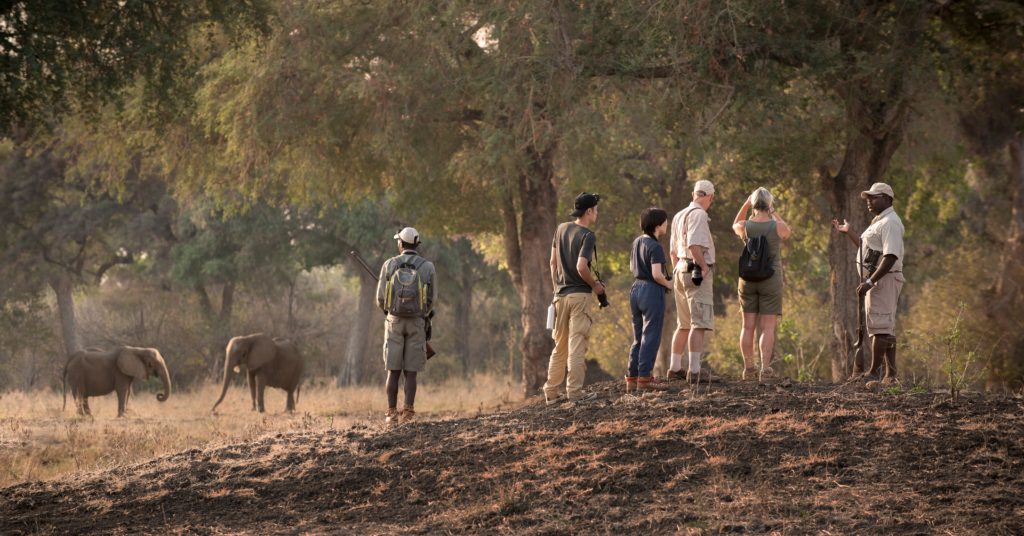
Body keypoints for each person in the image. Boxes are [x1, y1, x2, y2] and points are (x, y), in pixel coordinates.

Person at [831, 182, 905, 384]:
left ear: (888, 199)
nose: (869, 201)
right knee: (884, 327)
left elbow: (890, 257)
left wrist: (871, 281)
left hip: (883, 280)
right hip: (878, 280)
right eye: (868, 198)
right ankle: (891, 374)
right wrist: (850, 232)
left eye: (875, 197)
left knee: (880, 327)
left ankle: (873, 373)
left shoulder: (890, 222)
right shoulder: (880, 221)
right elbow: (869, 250)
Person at [543, 192, 606, 405]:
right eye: (596, 209)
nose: (597, 213)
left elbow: (552, 263)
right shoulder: (587, 235)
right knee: (577, 344)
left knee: (559, 346)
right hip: (580, 295)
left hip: (560, 295)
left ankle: (551, 393)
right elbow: (581, 266)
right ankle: (575, 393)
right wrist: (596, 286)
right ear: (589, 211)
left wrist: (556, 289)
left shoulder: (560, 229)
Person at [376, 227, 436, 423]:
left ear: (400, 243)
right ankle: (408, 413)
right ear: (416, 244)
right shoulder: (427, 267)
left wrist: (390, 312)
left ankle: (391, 414)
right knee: (411, 372)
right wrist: (421, 314)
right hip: (417, 323)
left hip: (393, 321)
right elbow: (432, 299)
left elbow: (380, 298)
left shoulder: (389, 264)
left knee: (393, 370)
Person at [732, 187, 792, 381]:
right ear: (769, 204)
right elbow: (787, 231)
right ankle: (765, 370)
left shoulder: (745, 226)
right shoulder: (776, 227)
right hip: (770, 279)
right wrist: (773, 211)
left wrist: (745, 204)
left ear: (753, 203)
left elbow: (734, 224)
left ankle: (749, 369)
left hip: (747, 279)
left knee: (747, 326)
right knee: (767, 327)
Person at [668, 179, 722, 383]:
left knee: (683, 324)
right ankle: (695, 370)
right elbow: (694, 245)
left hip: (680, 270)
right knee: (698, 323)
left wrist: (677, 269)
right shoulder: (699, 215)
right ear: (710, 197)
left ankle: (674, 368)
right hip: (695, 271)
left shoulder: (679, 215)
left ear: (694, 194)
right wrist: (705, 267)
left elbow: (673, 251)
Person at [625, 208, 674, 393]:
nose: (666, 224)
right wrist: (669, 284)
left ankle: (632, 377)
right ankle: (645, 378)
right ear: (657, 225)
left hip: (636, 288)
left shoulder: (637, 242)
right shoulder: (655, 246)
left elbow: (633, 266)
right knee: (651, 336)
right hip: (651, 291)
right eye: (665, 221)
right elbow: (656, 274)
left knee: (638, 337)